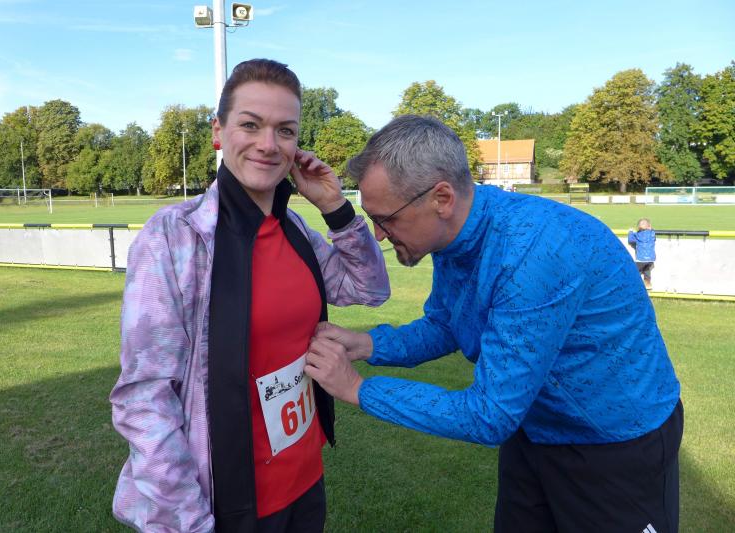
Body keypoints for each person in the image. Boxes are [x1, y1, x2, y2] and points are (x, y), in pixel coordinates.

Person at [304, 115, 682, 533]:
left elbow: (489, 414)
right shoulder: (455, 236)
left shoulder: (532, 252)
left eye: (386, 218)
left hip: (616, 443)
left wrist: (358, 389)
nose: (378, 234)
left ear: (441, 198)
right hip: (536, 430)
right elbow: (447, 324)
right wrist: (367, 345)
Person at [110, 59, 390, 533]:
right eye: (250, 125)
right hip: (228, 502)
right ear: (218, 131)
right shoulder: (175, 238)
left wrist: (334, 206)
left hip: (305, 481)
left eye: (285, 130)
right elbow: (144, 396)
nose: (268, 144)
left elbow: (370, 288)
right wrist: (188, 522)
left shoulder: (296, 229)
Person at [629, 217, 657, 289]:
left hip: (641, 259)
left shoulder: (638, 235)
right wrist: (651, 229)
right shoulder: (652, 234)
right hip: (651, 259)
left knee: (635, 271)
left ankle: (633, 284)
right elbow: (654, 236)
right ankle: (648, 284)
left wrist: (631, 232)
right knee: (647, 270)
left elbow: (631, 240)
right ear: (649, 226)